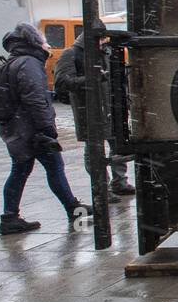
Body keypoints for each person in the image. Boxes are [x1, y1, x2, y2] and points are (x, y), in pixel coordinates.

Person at [0, 22, 92, 234]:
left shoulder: (16, 61)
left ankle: (10, 216)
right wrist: (46, 129)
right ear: (34, 42)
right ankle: (71, 210)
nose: (47, 44)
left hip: (19, 127)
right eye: (43, 40)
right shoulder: (29, 64)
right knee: (52, 168)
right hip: (31, 129)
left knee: (22, 170)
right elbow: (36, 100)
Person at [51, 30, 136, 198]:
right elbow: (62, 82)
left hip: (111, 108)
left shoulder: (106, 51)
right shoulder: (72, 53)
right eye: (102, 39)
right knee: (94, 151)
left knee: (117, 145)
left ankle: (119, 182)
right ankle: (101, 187)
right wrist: (92, 78)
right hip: (89, 111)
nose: (104, 42)